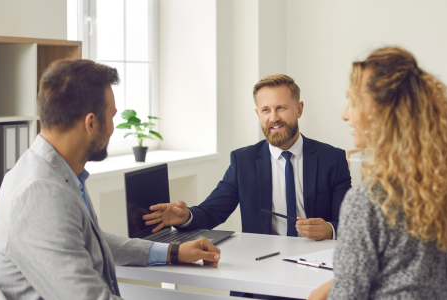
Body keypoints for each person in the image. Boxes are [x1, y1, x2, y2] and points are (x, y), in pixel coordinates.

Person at [0, 59, 221, 300]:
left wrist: (173, 252)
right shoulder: (41, 192)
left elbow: (92, 238)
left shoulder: (57, 172)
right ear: (90, 123)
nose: (112, 128)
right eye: (111, 117)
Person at [144, 74, 352, 299]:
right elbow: (213, 211)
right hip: (260, 272)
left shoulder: (333, 159)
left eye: (281, 108)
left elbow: (351, 225)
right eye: (265, 110)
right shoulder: (243, 161)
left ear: (299, 109)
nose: (274, 118)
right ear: (258, 114)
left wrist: (329, 229)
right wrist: (185, 217)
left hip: (316, 272)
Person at [308, 47, 447, 300]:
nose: (345, 114)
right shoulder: (443, 186)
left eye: (353, 102)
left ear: (384, 113)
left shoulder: (367, 201)